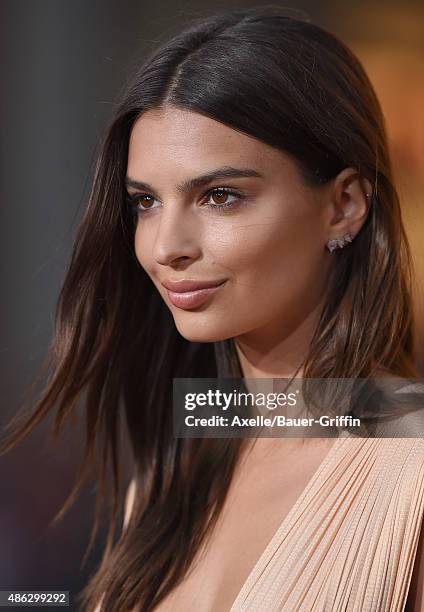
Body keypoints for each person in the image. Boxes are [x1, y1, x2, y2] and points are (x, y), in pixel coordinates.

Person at [1, 6, 423, 611]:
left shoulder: (412, 478)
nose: (166, 248)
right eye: (145, 202)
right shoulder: (165, 480)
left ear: (344, 206)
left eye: (220, 196)